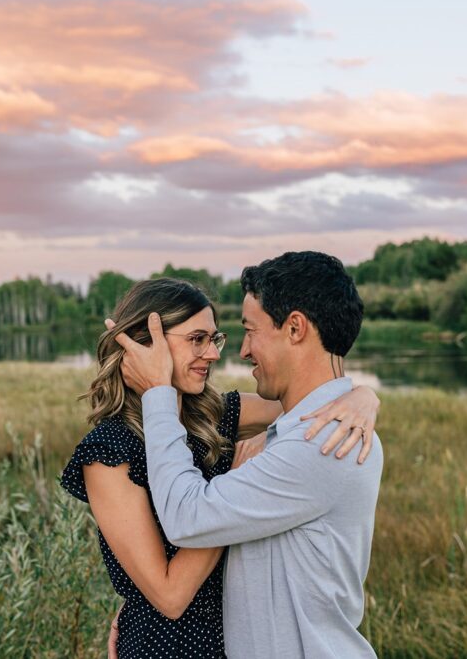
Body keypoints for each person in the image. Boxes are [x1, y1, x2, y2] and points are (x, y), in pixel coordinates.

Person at [60, 277, 381, 658]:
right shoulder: (110, 452)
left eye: (215, 338)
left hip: (236, 639)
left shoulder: (216, 414)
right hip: (168, 647)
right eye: (197, 339)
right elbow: (170, 595)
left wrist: (364, 397)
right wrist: (233, 483)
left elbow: (314, 403)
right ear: (148, 345)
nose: (213, 353)